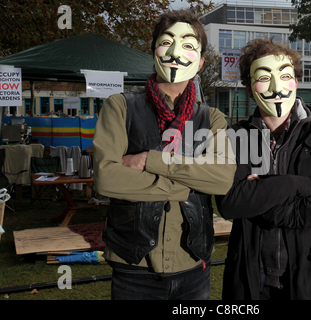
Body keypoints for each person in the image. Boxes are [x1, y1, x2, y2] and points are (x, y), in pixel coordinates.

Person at [93, 10, 236, 300]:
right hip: (134, 266)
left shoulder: (214, 118)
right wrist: (189, 182)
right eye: (166, 41)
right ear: (154, 51)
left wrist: (150, 160)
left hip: (193, 264)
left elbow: (221, 180)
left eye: (188, 45)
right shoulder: (119, 107)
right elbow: (107, 178)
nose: (175, 53)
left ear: (200, 61)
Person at [216, 38, 311, 300]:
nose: (276, 87)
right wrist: (300, 184)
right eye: (263, 77)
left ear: (296, 80)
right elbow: (230, 203)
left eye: (285, 76)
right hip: (251, 283)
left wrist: (266, 205)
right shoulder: (234, 137)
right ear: (249, 88)